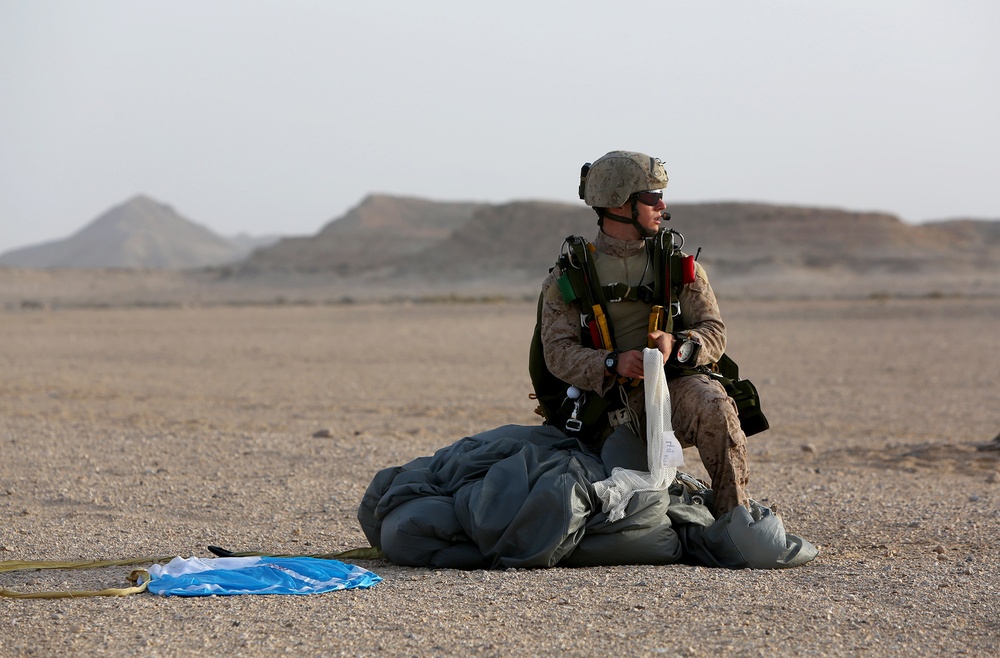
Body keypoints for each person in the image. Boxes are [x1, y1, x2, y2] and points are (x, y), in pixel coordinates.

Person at [538, 150, 750, 515]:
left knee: (716, 405)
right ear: (620, 203)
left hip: (670, 392)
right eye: (651, 197)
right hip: (603, 405)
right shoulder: (568, 276)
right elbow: (557, 351)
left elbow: (714, 330)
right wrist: (612, 362)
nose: (662, 205)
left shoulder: (678, 266)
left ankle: (736, 518)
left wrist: (679, 345)